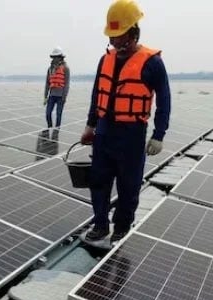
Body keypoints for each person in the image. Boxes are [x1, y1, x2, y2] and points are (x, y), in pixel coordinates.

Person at [80, 0, 171, 243]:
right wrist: (90, 125)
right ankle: (100, 224)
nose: (114, 42)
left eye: (118, 36)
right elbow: (97, 94)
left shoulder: (152, 62)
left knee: (128, 185)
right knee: (98, 181)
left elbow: (164, 99)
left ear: (133, 31)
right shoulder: (105, 60)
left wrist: (159, 134)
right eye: (112, 36)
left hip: (132, 133)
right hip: (104, 131)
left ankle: (121, 226)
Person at [44, 46, 70, 129]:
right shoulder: (50, 69)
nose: (55, 59)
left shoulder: (66, 68)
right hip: (51, 95)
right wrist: (45, 96)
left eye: (57, 57)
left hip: (60, 96)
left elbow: (66, 84)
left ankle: (56, 130)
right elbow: (47, 83)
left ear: (60, 57)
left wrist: (64, 96)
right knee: (48, 114)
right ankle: (50, 128)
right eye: (54, 57)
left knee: (59, 114)